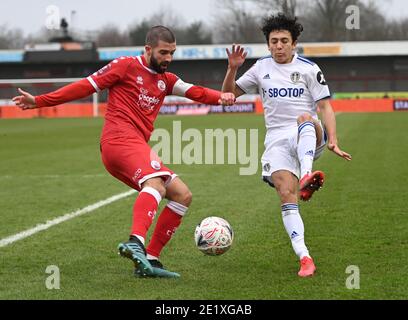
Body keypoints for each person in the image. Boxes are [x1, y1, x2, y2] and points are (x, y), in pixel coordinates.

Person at [12, 25, 236, 279]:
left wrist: (222, 97)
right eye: (163, 52)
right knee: (155, 183)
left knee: (182, 195)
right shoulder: (125, 66)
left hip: (136, 145)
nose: (168, 58)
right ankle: (135, 242)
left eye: (172, 53)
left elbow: (196, 91)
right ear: (148, 49)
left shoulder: (166, 80)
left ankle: (150, 259)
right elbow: (85, 86)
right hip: (118, 140)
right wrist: (40, 100)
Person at [222, 14, 351, 277]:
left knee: (305, 119)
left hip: (308, 132)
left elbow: (324, 106)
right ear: (268, 45)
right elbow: (228, 96)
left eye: (284, 41)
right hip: (276, 139)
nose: (279, 46)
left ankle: (306, 175)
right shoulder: (260, 68)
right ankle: (305, 257)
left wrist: (333, 140)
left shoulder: (308, 68)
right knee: (285, 195)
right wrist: (233, 68)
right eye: (274, 41)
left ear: (294, 44)